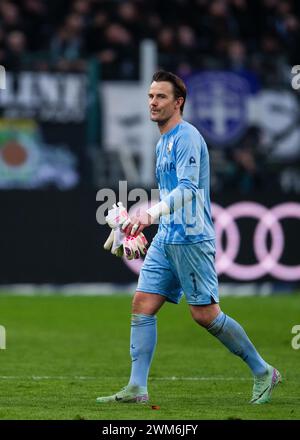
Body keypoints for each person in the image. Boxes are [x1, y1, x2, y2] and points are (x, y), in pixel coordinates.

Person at [96, 70, 281, 405]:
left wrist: (149, 214)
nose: (153, 102)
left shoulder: (187, 137)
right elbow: (172, 192)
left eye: (161, 96)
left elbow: (188, 188)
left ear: (178, 102)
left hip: (192, 238)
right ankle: (137, 388)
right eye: (151, 96)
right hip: (168, 237)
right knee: (142, 304)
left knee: (205, 314)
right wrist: (146, 223)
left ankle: (263, 371)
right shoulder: (163, 141)